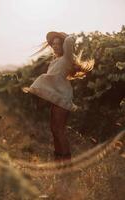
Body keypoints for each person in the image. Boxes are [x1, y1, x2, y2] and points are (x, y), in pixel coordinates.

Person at [23, 31, 94, 162]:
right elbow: (51, 81)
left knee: (59, 130)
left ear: (63, 45)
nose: (54, 46)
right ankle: (58, 160)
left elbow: (69, 40)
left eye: (58, 43)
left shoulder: (67, 58)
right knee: (54, 129)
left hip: (63, 97)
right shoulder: (54, 62)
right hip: (57, 98)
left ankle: (67, 163)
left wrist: (64, 36)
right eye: (53, 44)